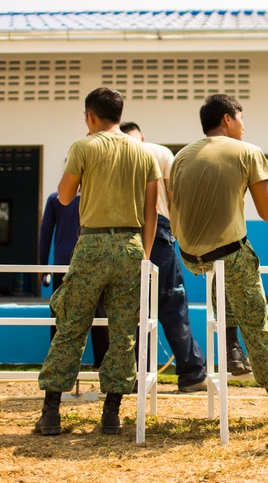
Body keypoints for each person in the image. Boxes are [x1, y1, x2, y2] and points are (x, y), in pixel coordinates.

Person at [170, 93, 268, 423]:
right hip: (228, 254)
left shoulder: (181, 157)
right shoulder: (248, 151)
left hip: (190, 256)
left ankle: (231, 346)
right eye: (242, 118)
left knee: (225, 272)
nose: (245, 126)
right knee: (256, 315)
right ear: (228, 119)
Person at [35, 87, 159, 437]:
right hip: (132, 246)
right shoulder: (144, 152)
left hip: (91, 244)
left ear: (90, 115)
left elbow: (63, 195)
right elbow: (151, 211)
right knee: (123, 333)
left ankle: (51, 413)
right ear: (120, 114)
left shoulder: (83, 146)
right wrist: (145, 254)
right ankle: (111, 413)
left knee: (71, 325)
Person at [120, 122, 208, 392]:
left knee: (128, 308)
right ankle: (192, 373)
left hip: (124, 234)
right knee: (172, 303)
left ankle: (131, 376)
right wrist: (177, 233)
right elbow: (173, 199)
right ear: (142, 136)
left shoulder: (117, 156)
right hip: (158, 232)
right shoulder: (160, 152)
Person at [38, 191, 109, 368]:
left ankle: (58, 364)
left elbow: (46, 232)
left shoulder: (56, 198)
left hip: (63, 263)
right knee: (99, 313)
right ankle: (101, 363)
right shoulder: (95, 196)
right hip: (93, 262)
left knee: (61, 313)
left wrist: (43, 265)